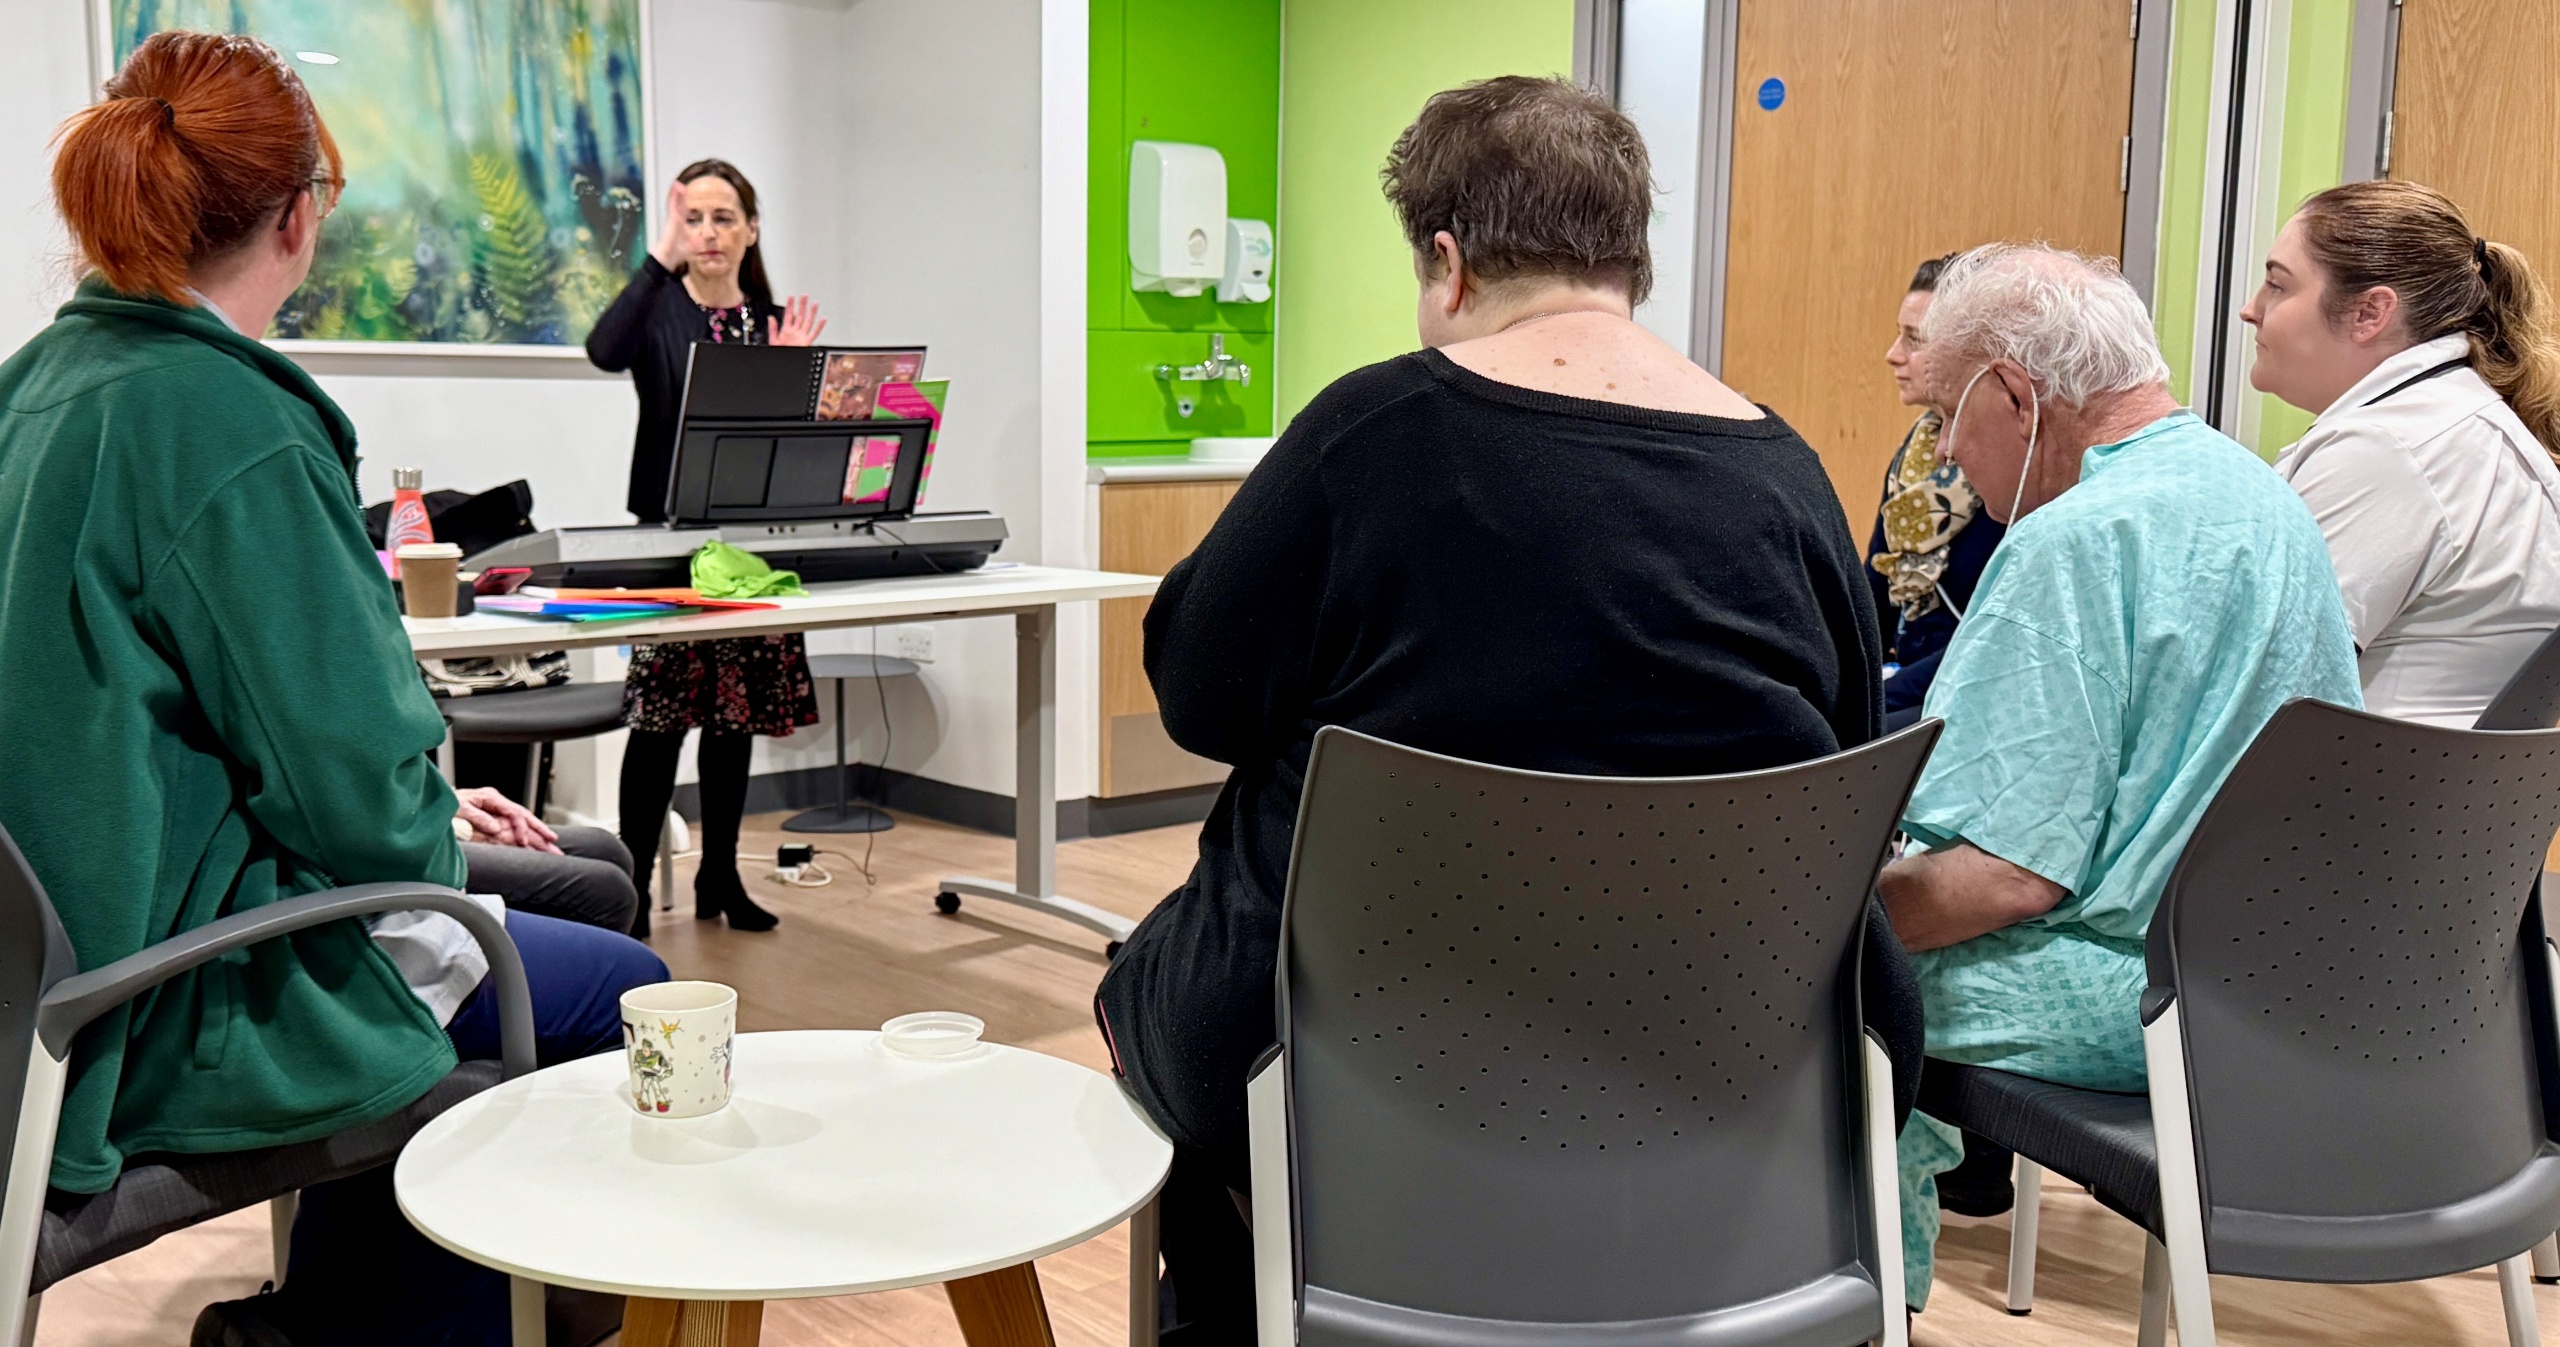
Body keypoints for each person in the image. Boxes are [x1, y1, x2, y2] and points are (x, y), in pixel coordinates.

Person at [1095, 76, 1919, 1342]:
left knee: (1148, 982)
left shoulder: (1370, 433)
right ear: (1631, 258)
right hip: (1738, 1065)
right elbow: (1845, 758)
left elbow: (1199, 700)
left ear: (1449, 259)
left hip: (1360, 1072)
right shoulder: (1786, 473)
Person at [0, 34, 667, 1345]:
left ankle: (330, 1315)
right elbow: (359, 806)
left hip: (59, 948)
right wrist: (424, 818)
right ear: (298, 218)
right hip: (155, 993)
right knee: (618, 986)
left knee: (578, 879)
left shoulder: (36, 390)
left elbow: (163, 711)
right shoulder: (229, 422)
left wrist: (429, 804)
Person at [1874, 244, 2362, 1309]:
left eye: (1948, 417)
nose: (1946, 452)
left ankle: (1869, 1306)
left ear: (2017, 395)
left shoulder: (2073, 541)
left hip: (2142, 998)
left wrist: (1814, 915)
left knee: (1825, 977)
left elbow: (2003, 879)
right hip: (2279, 981)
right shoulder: (2255, 489)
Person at [587, 159, 828, 935]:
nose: (708, 233)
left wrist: (796, 375)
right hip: (669, 541)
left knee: (735, 716)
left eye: (723, 217)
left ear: (751, 229)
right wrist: (659, 254)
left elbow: (794, 451)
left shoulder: (774, 322)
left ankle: (719, 874)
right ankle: (630, 888)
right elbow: (603, 349)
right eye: (693, 217)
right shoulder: (657, 310)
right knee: (660, 720)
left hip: (751, 546)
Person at [2241, 180, 2560, 726]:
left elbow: (2258, 670)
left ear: (2370, 313)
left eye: (2277, 285)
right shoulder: (2452, 421)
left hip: (2347, 776)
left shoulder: (2390, 450)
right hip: (2419, 775)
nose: (2251, 309)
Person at [1869, 253, 2003, 730]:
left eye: (1915, 340)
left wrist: (1874, 700)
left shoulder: (2012, 471)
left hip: (1963, 692)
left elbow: (1985, 644)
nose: (1893, 354)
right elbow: (1873, 591)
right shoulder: (1917, 452)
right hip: (1902, 678)